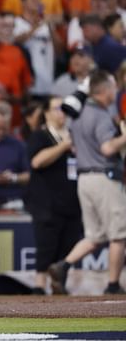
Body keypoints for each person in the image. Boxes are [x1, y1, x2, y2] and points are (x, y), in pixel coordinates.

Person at [49, 71, 126, 295]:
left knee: (94, 236)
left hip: (84, 178)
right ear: (103, 90)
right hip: (103, 177)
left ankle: (63, 266)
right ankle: (112, 285)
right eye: (112, 87)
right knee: (119, 234)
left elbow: (73, 144)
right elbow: (108, 148)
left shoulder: (78, 114)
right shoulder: (100, 115)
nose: (115, 91)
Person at [25, 96, 81, 294]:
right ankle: (39, 286)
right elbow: (37, 162)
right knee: (46, 245)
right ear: (46, 112)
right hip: (46, 203)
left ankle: (58, 284)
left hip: (71, 202)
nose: (62, 113)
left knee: (67, 245)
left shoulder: (73, 135)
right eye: (57, 108)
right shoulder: (39, 136)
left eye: (64, 109)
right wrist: (63, 146)